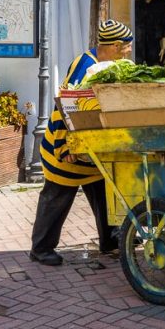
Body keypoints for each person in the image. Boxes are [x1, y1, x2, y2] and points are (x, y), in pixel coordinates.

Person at [30, 19, 133, 267]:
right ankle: (41, 248)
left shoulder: (107, 65)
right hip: (65, 146)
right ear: (116, 46)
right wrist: (65, 147)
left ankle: (110, 240)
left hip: (89, 146)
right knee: (57, 196)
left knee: (103, 192)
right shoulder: (86, 65)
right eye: (127, 46)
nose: (130, 51)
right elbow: (66, 106)